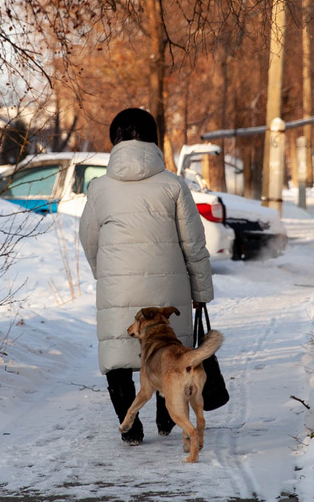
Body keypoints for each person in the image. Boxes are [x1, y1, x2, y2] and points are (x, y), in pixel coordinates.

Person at [78, 108, 215, 445]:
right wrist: (201, 290)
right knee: (170, 353)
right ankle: (166, 419)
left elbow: (88, 238)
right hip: (170, 291)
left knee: (118, 362)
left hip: (116, 288)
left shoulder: (99, 188)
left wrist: (104, 274)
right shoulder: (174, 185)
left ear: (115, 141)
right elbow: (193, 243)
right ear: (154, 139)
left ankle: (132, 430)